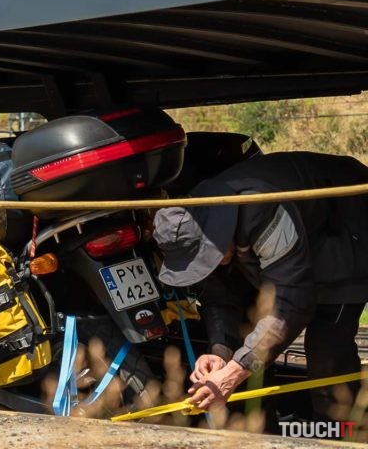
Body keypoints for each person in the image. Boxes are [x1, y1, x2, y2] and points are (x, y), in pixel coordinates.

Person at [152, 151, 368, 420]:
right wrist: (220, 351)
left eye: (206, 257)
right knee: (249, 334)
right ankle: (264, 426)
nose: (208, 263)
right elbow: (219, 296)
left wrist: (235, 371)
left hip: (347, 226)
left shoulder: (262, 210)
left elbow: (292, 303)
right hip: (295, 239)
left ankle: (342, 433)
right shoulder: (197, 223)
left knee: (327, 351)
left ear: (219, 235)